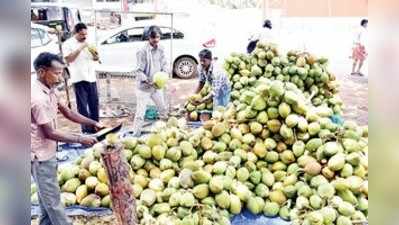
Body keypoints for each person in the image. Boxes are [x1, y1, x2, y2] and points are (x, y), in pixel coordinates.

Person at [31, 52, 103, 225]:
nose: (60, 77)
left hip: (45, 150)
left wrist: (93, 123)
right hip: (39, 155)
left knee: (45, 200)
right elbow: (50, 133)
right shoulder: (38, 98)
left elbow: (68, 112)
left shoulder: (50, 90)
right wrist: (80, 139)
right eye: (56, 73)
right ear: (42, 72)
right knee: (53, 202)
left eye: (61, 73)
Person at [132, 25, 169, 137]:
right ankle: (135, 135)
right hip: (144, 88)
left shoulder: (161, 48)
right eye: (154, 38)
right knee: (140, 113)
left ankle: (167, 134)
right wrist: (147, 80)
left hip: (157, 87)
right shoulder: (142, 51)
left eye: (158, 37)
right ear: (149, 38)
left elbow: (164, 64)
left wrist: (165, 74)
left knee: (163, 110)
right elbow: (138, 71)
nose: (156, 40)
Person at [64, 22, 100, 133]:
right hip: (79, 78)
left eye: (85, 34)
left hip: (91, 77)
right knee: (83, 106)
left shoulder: (89, 42)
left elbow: (95, 58)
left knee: (94, 104)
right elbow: (68, 59)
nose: (84, 37)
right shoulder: (68, 44)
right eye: (81, 35)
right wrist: (80, 48)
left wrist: (96, 56)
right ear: (75, 33)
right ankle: (86, 130)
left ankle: (96, 126)